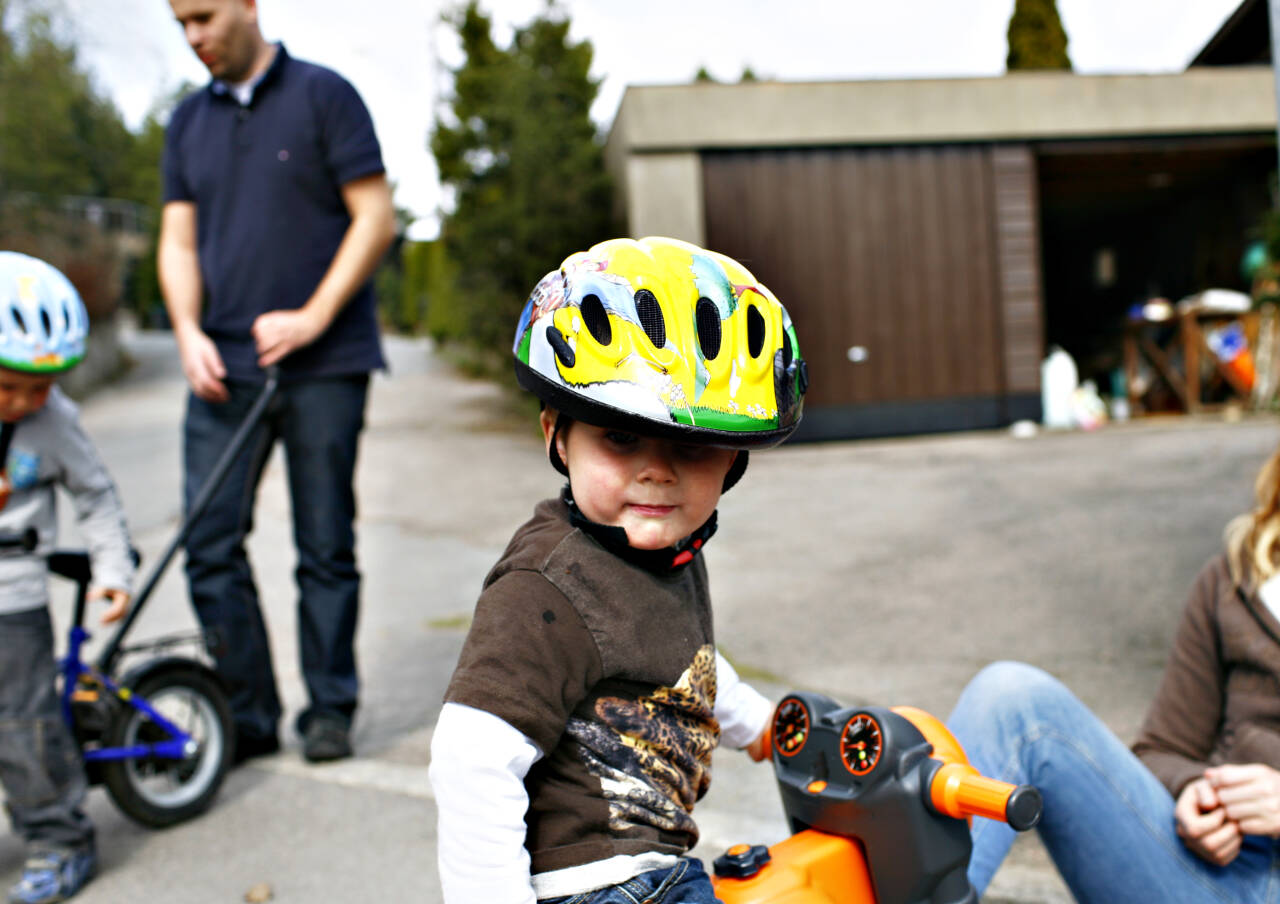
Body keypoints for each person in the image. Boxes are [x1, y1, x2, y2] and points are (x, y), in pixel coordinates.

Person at [428, 236, 809, 903]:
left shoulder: (669, 554)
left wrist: (760, 722)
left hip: (653, 870)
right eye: (621, 437)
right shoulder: (544, 590)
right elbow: (471, 760)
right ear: (556, 433)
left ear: (732, 463)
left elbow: (682, 667)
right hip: (603, 888)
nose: (658, 470)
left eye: (692, 448)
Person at [157, 0, 396, 763]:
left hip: (326, 364)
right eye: (180, 24)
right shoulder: (186, 123)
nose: (195, 36)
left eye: (203, 16)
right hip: (222, 366)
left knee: (324, 544)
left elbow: (374, 217)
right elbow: (178, 241)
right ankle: (248, 713)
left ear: (248, 4)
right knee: (208, 541)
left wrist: (313, 316)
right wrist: (188, 333)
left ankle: (329, 708)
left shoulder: (325, 96)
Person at [947, 445, 1280, 903]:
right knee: (1012, 699)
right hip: (1212, 876)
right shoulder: (1232, 579)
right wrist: (1194, 793)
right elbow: (1163, 750)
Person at [0, 252, 135, 904]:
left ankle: (59, 837)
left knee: (23, 725)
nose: (26, 401)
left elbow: (97, 498)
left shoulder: (54, 426)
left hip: (14, 602)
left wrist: (113, 570)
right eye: (9, 386)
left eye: (42, 385)